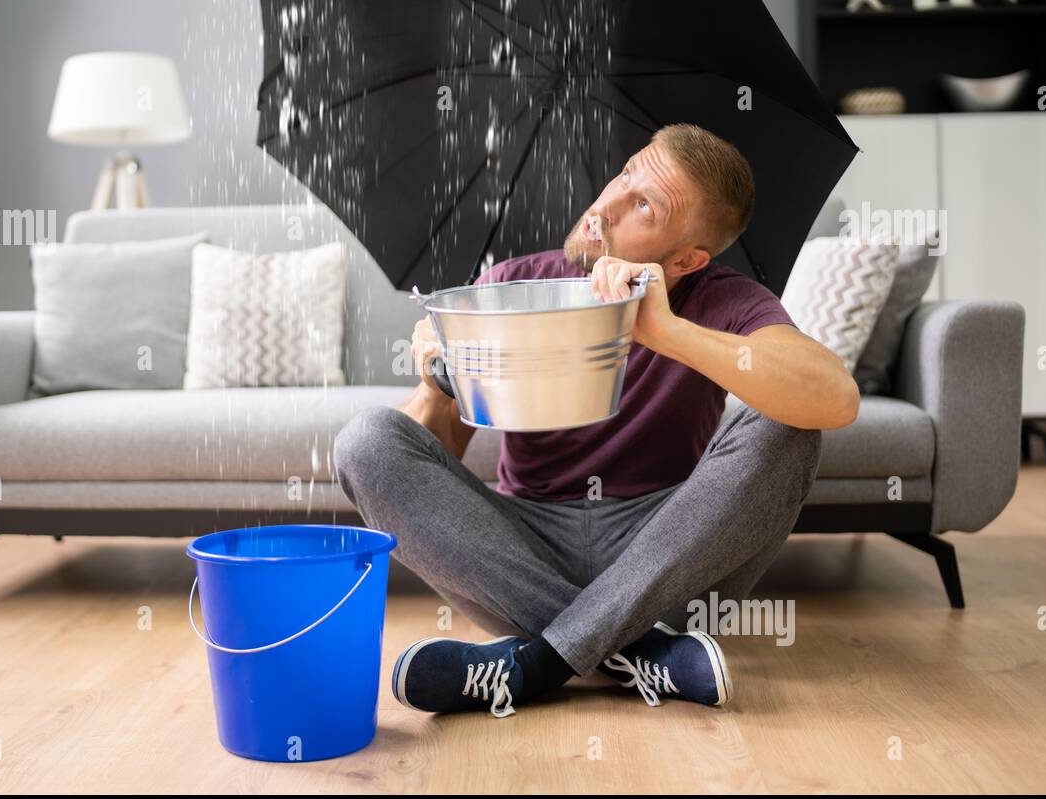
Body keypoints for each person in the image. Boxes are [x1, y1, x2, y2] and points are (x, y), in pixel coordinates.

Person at [334, 123, 859, 719]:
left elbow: (835, 397)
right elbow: (430, 454)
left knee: (789, 423)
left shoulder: (722, 300)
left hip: (666, 554)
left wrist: (664, 332)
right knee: (367, 439)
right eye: (627, 173)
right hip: (520, 549)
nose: (603, 207)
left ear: (687, 258)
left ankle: (535, 665)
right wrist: (436, 381)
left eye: (644, 206)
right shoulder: (511, 285)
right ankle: (640, 653)